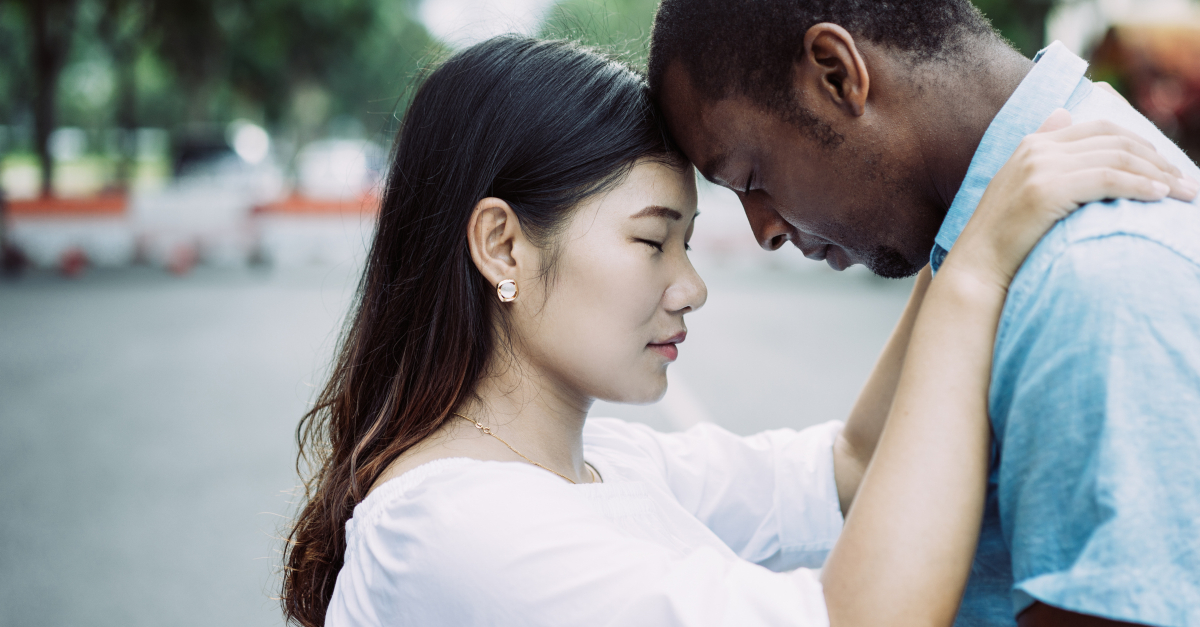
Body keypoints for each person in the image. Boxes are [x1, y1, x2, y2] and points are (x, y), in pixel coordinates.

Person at [280, 37, 1193, 627]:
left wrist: (974, 205)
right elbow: (858, 619)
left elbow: (850, 464)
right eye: (651, 241)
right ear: (500, 243)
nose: (692, 285)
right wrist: (979, 272)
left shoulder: (615, 469)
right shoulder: (457, 533)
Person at [647, 2, 1200, 626]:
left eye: (750, 178)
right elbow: (848, 465)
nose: (765, 232)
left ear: (837, 74)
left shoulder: (1097, 277)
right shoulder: (1014, 237)